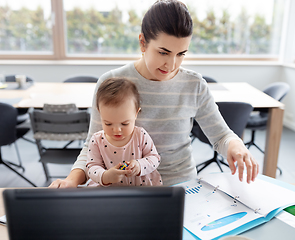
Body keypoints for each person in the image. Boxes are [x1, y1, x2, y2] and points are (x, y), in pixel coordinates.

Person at [49, 0, 258, 188]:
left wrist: (236, 145)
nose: (172, 64)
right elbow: (92, 145)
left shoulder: (195, 85)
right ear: (142, 43)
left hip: (180, 186)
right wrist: (71, 181)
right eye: (163, 52)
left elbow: (221, 136)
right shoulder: (111, 82)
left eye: (181, 54)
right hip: (123, 186)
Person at [85, 77, 162, 186]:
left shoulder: (140, 135)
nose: (117, 130)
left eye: (125, 124)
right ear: (100, 113)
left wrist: (139, 165)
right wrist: (105, 176)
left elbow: (155, 158)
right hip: (110, 193)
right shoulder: (97, 140)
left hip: (141, 190)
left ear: (136, 114)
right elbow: (92, 167)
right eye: (108, 124)